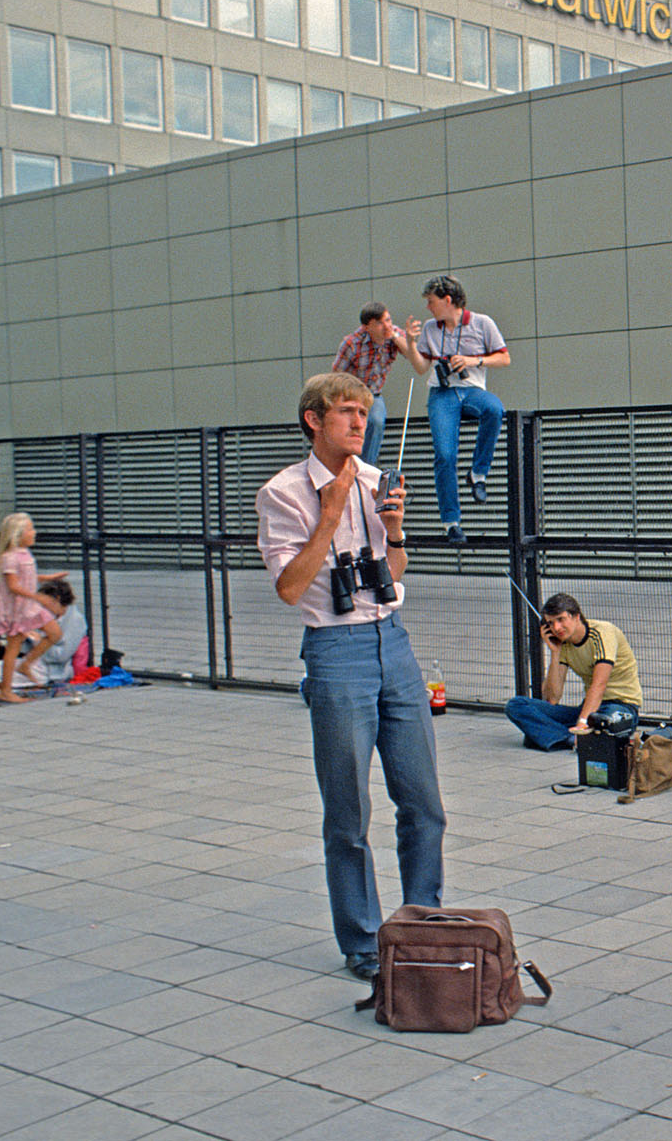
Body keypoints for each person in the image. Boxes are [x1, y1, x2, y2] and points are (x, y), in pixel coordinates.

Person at [256, 372, 445, 981]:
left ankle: (423, 922)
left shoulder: (376, 480)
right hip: (335, 651)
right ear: (314, 419)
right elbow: (288, 587)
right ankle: (363, 940)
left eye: (363, 413)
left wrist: (393, 529)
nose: (360, 422)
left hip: (394, 643)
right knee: (348, 810)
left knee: (423, 802)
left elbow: (394, 568)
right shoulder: (283, 492)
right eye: (346, 412)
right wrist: (329, 514)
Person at [400, 274, 509, 544]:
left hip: (472, 389)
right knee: (445, 456)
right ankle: (451, 522)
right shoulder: (429, 327)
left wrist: (473, 361)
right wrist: (412, 344)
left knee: (494, 410)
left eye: (431, 301)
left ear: (448, 300)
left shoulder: (483, 323)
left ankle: (478, 473)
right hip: (442, 393)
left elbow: (504, 358)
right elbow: (421, 367)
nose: (428, 306)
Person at [504, 593, 643, 750]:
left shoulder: (602, 633)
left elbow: (599, 685)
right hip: (588, 709)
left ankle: (556, 736)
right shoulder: (564, 644)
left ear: (576, 616)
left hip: (620, 707)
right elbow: (552, 698)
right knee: (516, 705)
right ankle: (572, 739)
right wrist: (555, 653)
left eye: (561, 619)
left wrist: (582, 724)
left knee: (604, 723)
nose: (556, 628)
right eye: (550, 623)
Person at [0, 512, 67, 704]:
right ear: (17, 534)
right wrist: (39, 597)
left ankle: (26, 664)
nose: (34, 532)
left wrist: (48, 578)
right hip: (18, 610)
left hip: (30, 607)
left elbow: (28, 578)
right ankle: (5, 690)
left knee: (55, 633)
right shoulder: (10, 557)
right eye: (30, 529)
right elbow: (14, 585)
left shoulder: (25, 554)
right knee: (13, 647)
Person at [332, 302, 421, 466]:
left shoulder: (394, 334)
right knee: (350, 427)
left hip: (374, 394)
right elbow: (336, 376)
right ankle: (346, 464)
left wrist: (393, 336)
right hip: (351, 393)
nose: (386, 326)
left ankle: (366, 467)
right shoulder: (352, 343)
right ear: (367, 327)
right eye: (380, 323)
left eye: (388, 320)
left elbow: (411, 355)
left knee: (376, 421)